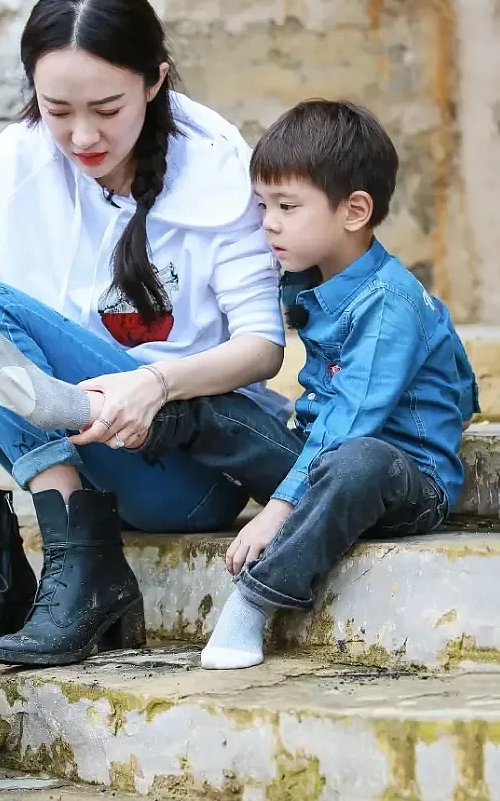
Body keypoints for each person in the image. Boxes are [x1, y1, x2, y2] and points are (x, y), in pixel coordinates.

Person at [0, 0, 287, 666]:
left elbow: (262, 347)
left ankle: (83, 562)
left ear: (155, 81)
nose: (81, 134)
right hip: (72, 445)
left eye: (107, 107)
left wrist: (154, 383)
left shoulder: (218, 172)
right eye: (57, 109)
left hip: (179, 465)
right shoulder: (25, 154)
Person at [138, 99, 480, 670]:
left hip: (400, 480)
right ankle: (117, 432)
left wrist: (277, 508)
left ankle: (256, 600)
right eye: (263, 204)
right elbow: (463, 387)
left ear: (354, 211)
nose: (268, 221)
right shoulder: (305, 275)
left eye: (287, 206)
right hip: (321, 453)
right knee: (222, 398)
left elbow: (352, 426)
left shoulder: (390, 304)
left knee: (358, 458)